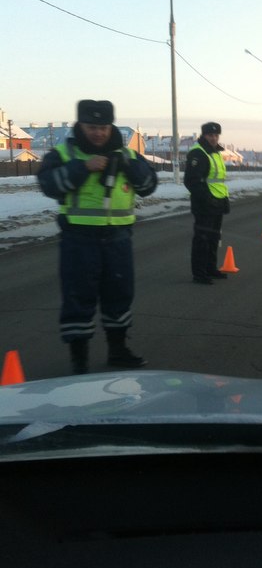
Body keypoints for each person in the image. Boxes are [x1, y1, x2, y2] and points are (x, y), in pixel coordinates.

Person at [37, 100, 158, 374]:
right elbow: (48, 185)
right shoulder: (63, 153)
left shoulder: (127, 153)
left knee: (119, 295)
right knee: (78, 297)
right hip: (78, 240)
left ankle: (118, 350)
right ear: (80, 125)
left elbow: (149, 186)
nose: (98, 133)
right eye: (92, 127)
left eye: (103, 127)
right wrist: (84, 167)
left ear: (110, 126)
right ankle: (79, 359)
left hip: (118, 238)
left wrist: (129, 165)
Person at [184, 121, 230, 285]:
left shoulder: (216, 153)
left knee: (214, 238)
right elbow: (192, 181)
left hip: (216, 202)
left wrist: (222, 200)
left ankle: (211, 268)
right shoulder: (198, 153)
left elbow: (218, 180)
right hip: (204, 205)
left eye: (216, 135)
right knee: (202, 239)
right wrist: (207, 199)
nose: (214, 138)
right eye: (210, 135)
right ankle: (199, 273)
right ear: (203, 135)